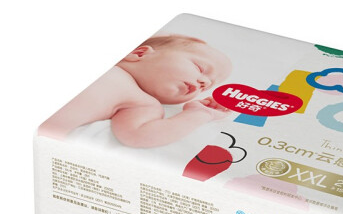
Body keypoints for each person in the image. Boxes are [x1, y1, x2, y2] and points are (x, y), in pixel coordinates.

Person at [38, 34, 232, 147]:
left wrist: (200, 114)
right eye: (200, 68)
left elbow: (140, 135)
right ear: (139, 53)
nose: (204, 82)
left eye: (207, 86)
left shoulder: (143, 103)